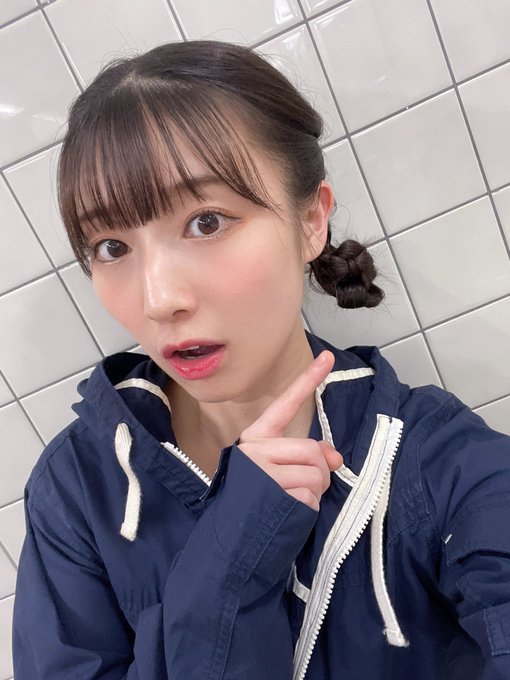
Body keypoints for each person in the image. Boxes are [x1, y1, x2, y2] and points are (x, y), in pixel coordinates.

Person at [12, 39, 510, 679]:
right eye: (111, 246)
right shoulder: (79, 487)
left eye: (207, 222)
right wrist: (230, 564)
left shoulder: (437, 462)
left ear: (311, 221)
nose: (158, 300)